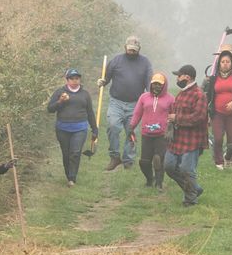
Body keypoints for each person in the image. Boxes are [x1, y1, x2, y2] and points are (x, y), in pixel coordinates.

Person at [97, 35, 153, 171]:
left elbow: (149, 84)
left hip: (136, 104)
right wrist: (102, 81)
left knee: (131, 131)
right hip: (116, 102)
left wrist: (150, 99)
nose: (132, 52)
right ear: (125, 47)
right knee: (113, 126)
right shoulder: (116, 60)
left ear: (139, 49)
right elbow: (106, 78)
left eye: (134, 50)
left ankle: (128, 160)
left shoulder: (145, 63)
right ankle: (115, 157)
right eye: (130, 49)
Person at [46, 68, 99, 186]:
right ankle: (68, 174)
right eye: (72, 79)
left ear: (80, 79)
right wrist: (60, 101)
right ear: (67, 80)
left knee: (75, 152)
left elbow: (90, 112)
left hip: (80, 128)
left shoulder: (85, 94)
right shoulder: (60, 92)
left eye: (77, 78)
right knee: (66, 153)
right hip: (62, 128)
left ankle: (72, 178)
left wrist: (94, 129)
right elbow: (50, 109)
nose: (75, 81)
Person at [165, 64, 209, 206]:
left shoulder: (199, 95)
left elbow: (199, 117)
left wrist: (176, 118)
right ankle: (195, 189)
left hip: (192, 140)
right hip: (177, 139)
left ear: (187, 77)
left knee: (186, 170)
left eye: (179, 75)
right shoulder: (181, 93)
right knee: (169, 166)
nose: (177, 78)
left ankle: (190, 199)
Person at [126, 73, 174, 190]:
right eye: (154, 84)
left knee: (158, 159)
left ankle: (159, 183)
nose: (156, 86)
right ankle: (149, 179)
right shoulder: (144, 97)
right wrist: (131, 127)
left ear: (164, 85)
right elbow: (137, 113)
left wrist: (171, 129)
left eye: (159, 84)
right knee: (144, 162)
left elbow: (173, 116)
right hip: (146, 134)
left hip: (162, 135)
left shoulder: (170, 99)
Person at [204, 43, 232, 163]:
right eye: (222, 58)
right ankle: (218, 158)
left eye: (228, 59)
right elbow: (207, 92)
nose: (225, 62)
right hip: (217, 112)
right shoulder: (213, 70)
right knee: (217, 136)